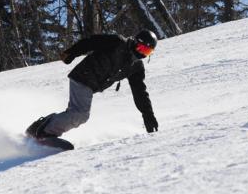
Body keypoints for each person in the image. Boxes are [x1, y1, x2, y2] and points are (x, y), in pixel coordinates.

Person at [26, 29, 159, 139]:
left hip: (91, 84)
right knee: (81, 114)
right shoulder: (117, 42)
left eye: (147, 52)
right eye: (142, 48)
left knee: (75, 113)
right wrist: (72, 52)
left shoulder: (136, 67)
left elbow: (140, 91)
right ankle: (46, 133)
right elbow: (91, 42)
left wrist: (148, 114)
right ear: (136, 42)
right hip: (84, 76)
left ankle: (40, 126)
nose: (142, 54)